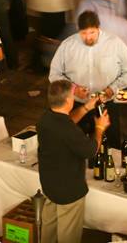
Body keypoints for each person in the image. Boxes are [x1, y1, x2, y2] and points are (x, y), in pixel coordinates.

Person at [49, 11, 127, 148]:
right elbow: (54, 75)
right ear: (78, 29)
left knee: (110, 146)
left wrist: (113, 88)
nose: (88, 37)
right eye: (84, 33)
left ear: (98, 28)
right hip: (77, 105)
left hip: (106, 104)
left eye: (92, 32)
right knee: (76, 145)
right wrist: (74, 89)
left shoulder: (115, 43)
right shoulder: (67, 45)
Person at [37, 80, 110, 243]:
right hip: (69, 190)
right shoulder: (68, 130)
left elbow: (67, 119)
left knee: (48, 230)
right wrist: (99, 128)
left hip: (49, 185)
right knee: (68, 236)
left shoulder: (46, 118)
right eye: (73, 95)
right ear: (68, 100)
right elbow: (91, 150)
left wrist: (86, 108)